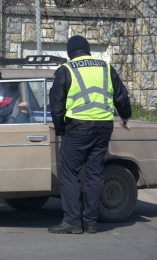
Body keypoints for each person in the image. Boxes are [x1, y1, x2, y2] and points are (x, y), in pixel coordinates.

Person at [48, 35, 132, 234]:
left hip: (77, 128)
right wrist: (126, 117)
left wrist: (60, 129)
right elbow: (121, 95)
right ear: (87, 50)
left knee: (70, 174)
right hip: (103, 127)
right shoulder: (106, 67)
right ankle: (91, 223)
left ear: (70, 53)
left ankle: (72, 222)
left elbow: (56, 104)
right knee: (95, 174)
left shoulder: (66, 70)